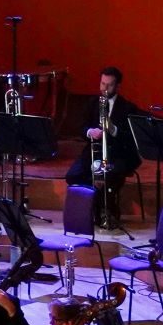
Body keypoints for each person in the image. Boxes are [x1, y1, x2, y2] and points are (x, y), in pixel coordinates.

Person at [65, 66, 139, 231]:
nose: (104, 88)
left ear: (118, 86)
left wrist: (112, 129)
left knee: (110, 175)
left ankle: (109, 212)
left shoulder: (128, 107)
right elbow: (80, 127)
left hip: (118, 152)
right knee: (73, 175)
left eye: (109, 85)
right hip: (95, 150)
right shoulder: (92, 103)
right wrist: (90, 132)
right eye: (102, 83)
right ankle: (89, 211)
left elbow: (131, 137)